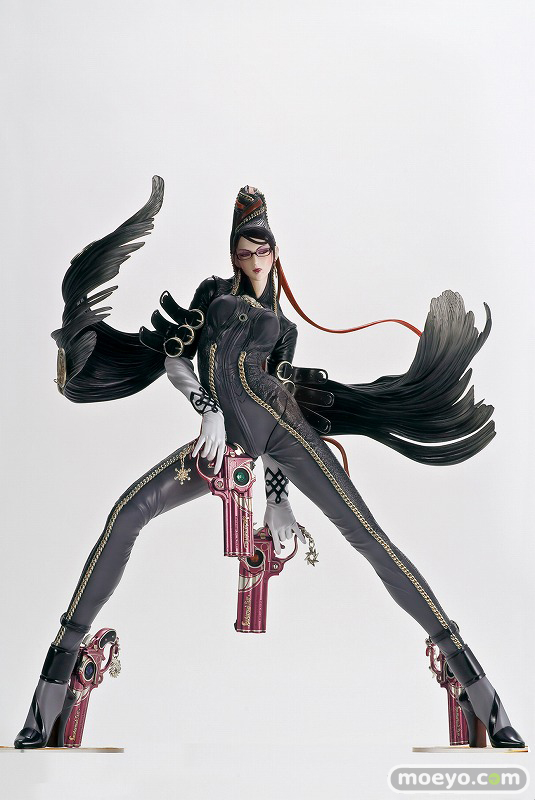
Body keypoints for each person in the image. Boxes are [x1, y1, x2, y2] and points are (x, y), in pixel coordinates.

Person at [14, 178, 525, 749]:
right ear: (233, 253)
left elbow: (282, 402)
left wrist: (278, 502)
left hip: (285, 432)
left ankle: (473, 682)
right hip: (223, 441)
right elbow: (175, 360)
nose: (254, 260)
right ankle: (54, 681)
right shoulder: (213, 296)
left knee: (368, 536)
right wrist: (206, 408)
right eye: (244, 250)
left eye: (263, 250)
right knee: (126, 513)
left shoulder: (284, 328)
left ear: (276, 253)